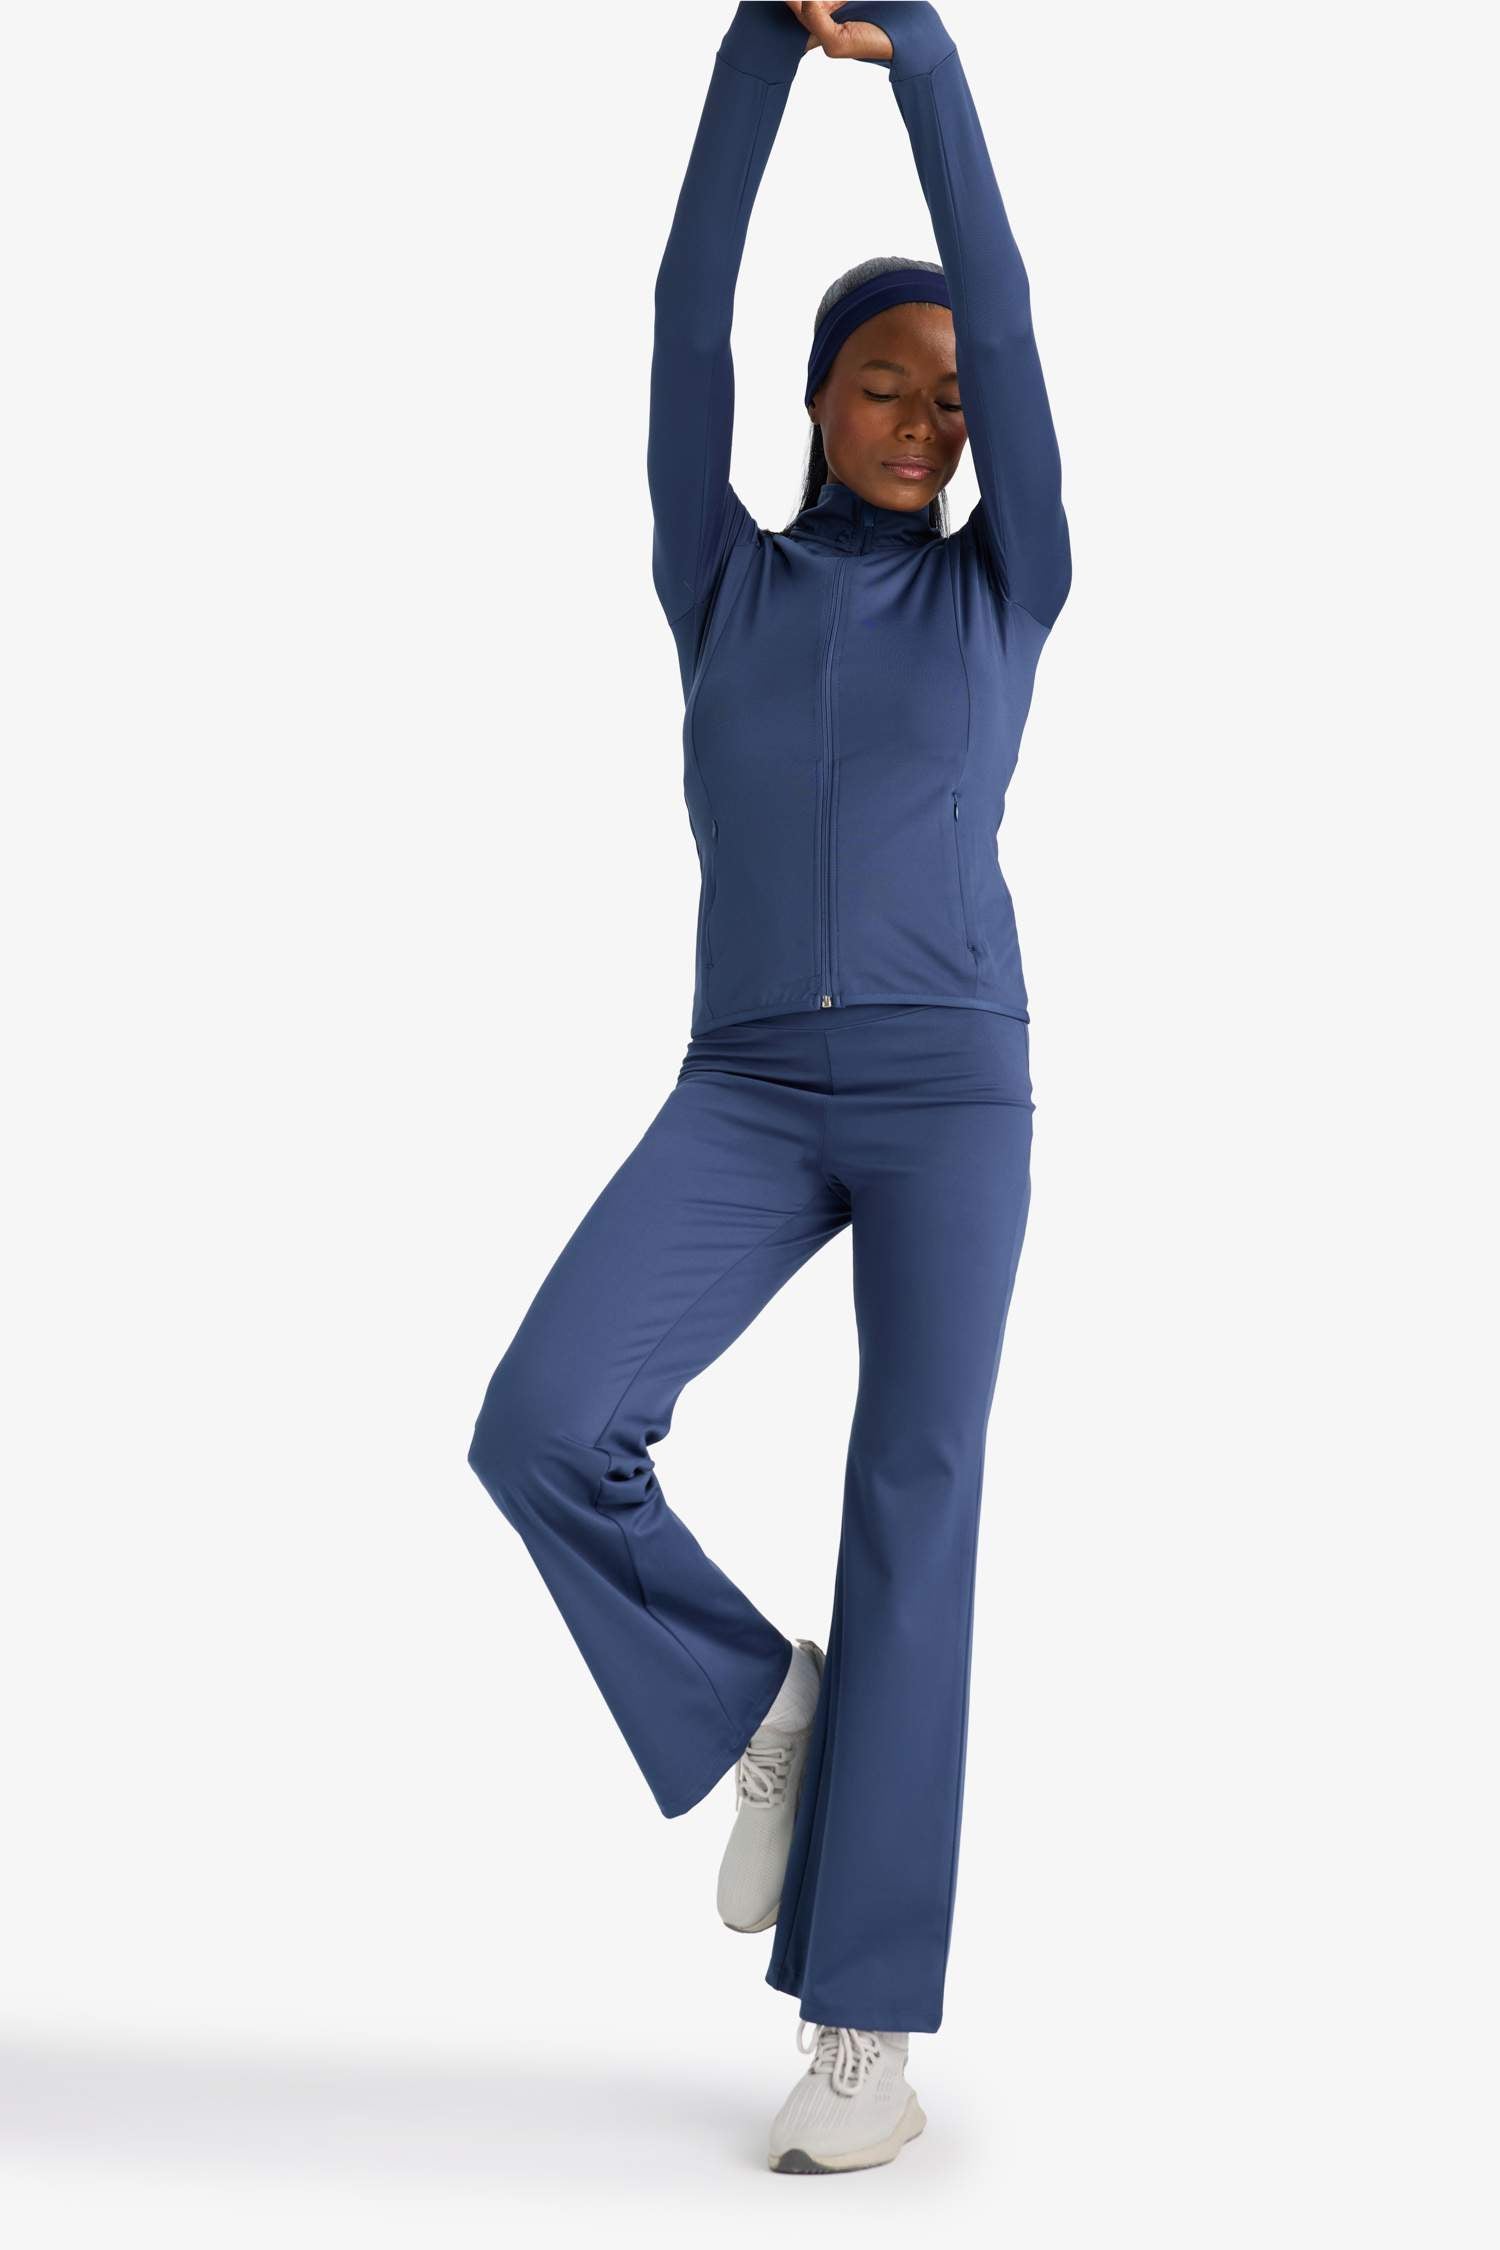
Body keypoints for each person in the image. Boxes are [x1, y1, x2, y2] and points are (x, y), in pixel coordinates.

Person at [466, 0, 1070, 2175]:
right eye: (887, 382)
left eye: (953, 398)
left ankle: (864, 2032)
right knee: (543, 1422)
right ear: (820, 397)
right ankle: (757, 1704)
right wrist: (759, 43)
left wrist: (927, 62)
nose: (926, 418)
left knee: (912, 1510)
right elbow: (682, 306)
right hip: (742, 1084)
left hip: (948, 1093)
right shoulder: (716, 576)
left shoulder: (1008, 587)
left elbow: (1004, 310)